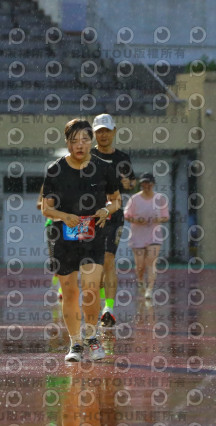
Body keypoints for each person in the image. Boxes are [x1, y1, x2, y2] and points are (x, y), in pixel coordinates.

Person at [41, 118, 121, 362]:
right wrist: (65, 216)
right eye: (74, 140)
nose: (80, 145)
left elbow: (116, 200)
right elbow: (46, 208)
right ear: (67, 142)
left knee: (90, 290)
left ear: (91, 141)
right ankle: (75, 343)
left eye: (85, 139)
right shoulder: (55, 170)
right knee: (69, 291)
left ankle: (92, 336)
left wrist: (106, 210)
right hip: (63, 237)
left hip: (93, 236)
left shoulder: (104, 168)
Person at [90, 113, 136, 328]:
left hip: (114, 215)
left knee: (108, 259)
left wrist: (128, 184)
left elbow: (132, 182)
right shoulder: (88, 156)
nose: (103, 135)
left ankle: (109, 309)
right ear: (94, 134)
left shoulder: (122, 158)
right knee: (94, 264)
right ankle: (98, 304)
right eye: (99, 131)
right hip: (91, 216)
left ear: (114, 132)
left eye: (107, 131)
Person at [123, 173, 169, 300]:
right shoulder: (134, 199)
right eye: (144, 184)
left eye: (149, 183)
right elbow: (126, 215)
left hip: (154, 236)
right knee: (140, 265)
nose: (146, 186)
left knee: (151, 261)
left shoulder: (160, 199)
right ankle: (140, 280)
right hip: (138, 236)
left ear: (153, 184)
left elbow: (165, 216)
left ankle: (150, 288)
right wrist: (137, 220)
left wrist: (158, 219)